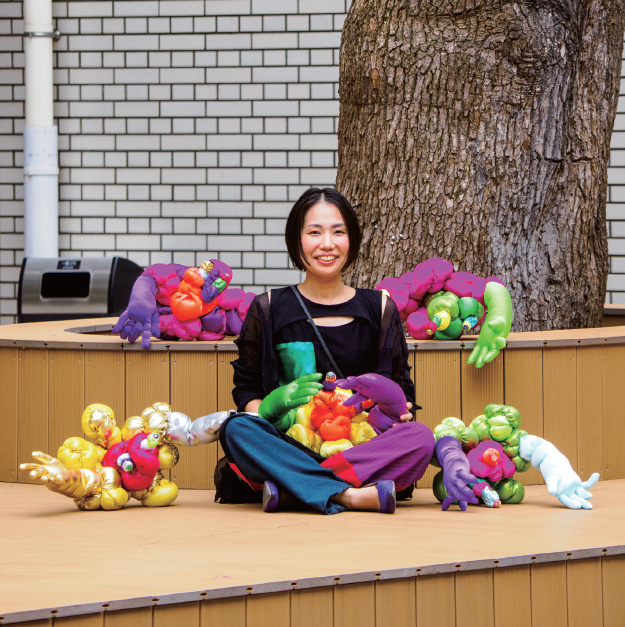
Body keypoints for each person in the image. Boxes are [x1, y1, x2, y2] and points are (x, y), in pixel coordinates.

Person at [222, 188, 435, 515]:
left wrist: (394, 409)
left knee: (419, 437)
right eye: (314, 232)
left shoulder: (379, 307)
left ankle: (296, 488)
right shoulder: (269, 307)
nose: (327, 244)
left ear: (352, 239)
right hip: (292, 444)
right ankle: (348, 495)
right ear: (296, 241)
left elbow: (401, 389)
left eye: (338, 232)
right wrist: (272, 406)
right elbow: (247, 391)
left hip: (361, 446)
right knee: (238, 429)